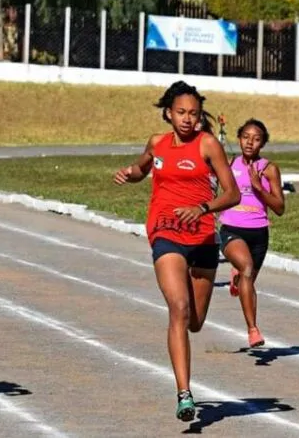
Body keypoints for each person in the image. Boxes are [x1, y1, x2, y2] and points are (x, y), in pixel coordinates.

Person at [112, 81, 239, 422]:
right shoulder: (157, 143)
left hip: (202, 239)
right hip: (165, 232)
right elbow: (142, 168)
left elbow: (233, 194)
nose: (187, 119)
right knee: (178, 309)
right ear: (168, 113)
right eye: (181, 112)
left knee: (194, 322)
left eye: (193, 114)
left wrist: (203, 208)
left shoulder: (208, 144)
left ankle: (185, 376)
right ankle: (184, 393)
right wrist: (130, 173)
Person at [218, 118, 285, 349]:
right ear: (239, 139)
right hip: (231, 229)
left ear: (262, 144)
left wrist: (258, 188)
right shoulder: (229, 164)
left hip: (258, 233)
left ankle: (237, 280)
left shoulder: (269, 169)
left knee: (248, 281)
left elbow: (279, 208)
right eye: (246, 137)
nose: (250, 143)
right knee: (246, 268)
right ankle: (253, 330)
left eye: (256, 139)